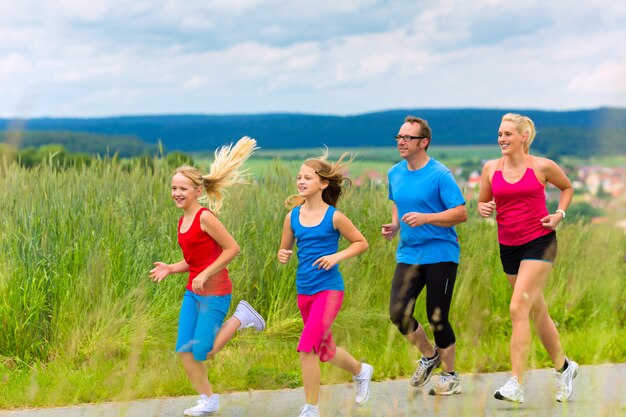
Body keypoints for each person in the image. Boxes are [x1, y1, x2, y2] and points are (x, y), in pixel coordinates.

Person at [150, 137, 266, 416]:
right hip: (194, 292)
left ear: (197, 190)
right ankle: (208, 400)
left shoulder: (205, 217)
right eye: (173, 188)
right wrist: (170, 268)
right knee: (184, 350)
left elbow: (232, 248)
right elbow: (194, 262)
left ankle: (242, 317)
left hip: (215, 292)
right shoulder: (182, 221)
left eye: (183, 188)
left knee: (205, 351)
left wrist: (207, 272)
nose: (177, 193)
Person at [478, 113, 578, 403]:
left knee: (517, 307)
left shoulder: (542, 166)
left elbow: (567, 188)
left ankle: (516, 383)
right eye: (499, 134)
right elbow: (484, 201)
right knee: (536, 311)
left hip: (540, 242)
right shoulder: (490, 168)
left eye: (507, 134)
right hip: (508, 246)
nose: (501, 139)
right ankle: (564, 367)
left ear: (524, 137)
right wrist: (484, 208)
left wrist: (559, 214)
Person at [277, 150, 373, 417]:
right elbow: (284, 250)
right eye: (299, 177)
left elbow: (361, 242)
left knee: (306, 347)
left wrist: (336, 256)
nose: (301, 181)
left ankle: (311, 408)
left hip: (329, 290)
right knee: (325, 350)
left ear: (323, 184)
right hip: (304, 291)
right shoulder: (292, 217)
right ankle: (361, 371)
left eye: (307, 177)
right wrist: (283, 254)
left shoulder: (334, 217)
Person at [382, 116, 467, 396]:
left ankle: (451, 376)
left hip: (440, 252)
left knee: (437, 316)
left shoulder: (440, 174)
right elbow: (398, 204)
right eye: (399, 137)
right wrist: (395, 225)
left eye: (408, 138)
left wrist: (427, 218)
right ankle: (430, 356)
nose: (401, 142)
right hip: (409, 253)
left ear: (424, 142)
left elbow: (460, 213)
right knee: (398, 311)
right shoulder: (395, 173)